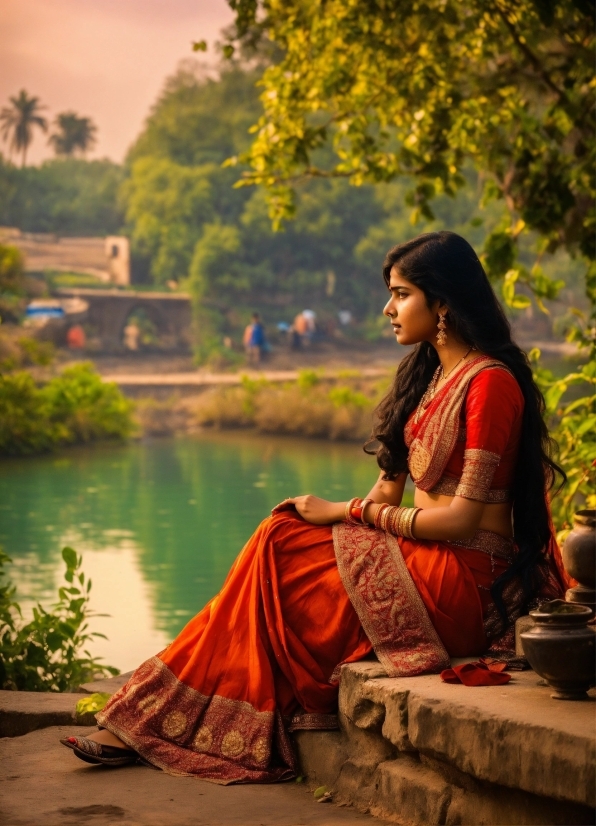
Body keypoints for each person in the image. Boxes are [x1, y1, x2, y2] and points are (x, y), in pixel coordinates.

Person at [60, 231, 567, 782]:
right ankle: (163, 714)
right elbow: (388, 491)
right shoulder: (430, 377)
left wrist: (348, 512)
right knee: (282, 530)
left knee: (282, 555)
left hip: (466, 580)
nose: (387, 308)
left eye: (400, 294)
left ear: (441, 302)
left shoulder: (490, 383)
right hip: (423, 558)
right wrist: (345, 511)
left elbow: (462, 520)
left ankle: (163, 716)